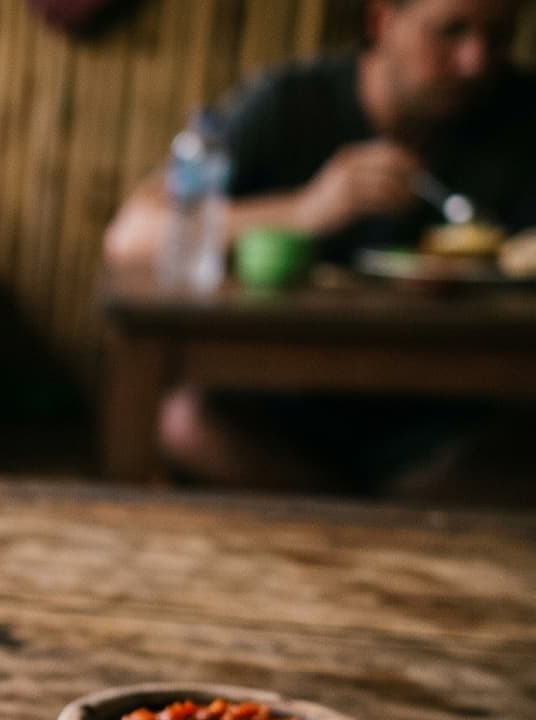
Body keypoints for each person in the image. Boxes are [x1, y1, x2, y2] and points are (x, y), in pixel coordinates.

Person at [102, 0, 536, 501]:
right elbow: (131, 236)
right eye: (449, 31)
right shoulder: (292, 103)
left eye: (499, 36)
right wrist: (307, 210)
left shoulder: (520, 113)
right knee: (180, 421)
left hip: (451, 421)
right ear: (383, 23)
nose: (475, 61)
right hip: (285, 412)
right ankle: (370, 520)